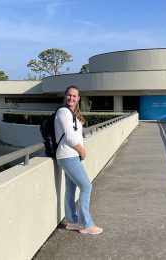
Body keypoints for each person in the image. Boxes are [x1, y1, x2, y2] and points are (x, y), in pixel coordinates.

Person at [54, 85, 103, 235]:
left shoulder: (73, 113)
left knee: (71, 189)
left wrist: (80, 150)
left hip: (70, 155)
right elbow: (69, 135)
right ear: (65, 96)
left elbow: (77, 135)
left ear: (78, 98)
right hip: (68, 155)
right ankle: (85, 224)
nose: (71, 98)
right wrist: (81, 150)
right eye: (69, 95)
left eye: (74, 96)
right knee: (86, 187)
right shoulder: (63, 111)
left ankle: (71, 222)